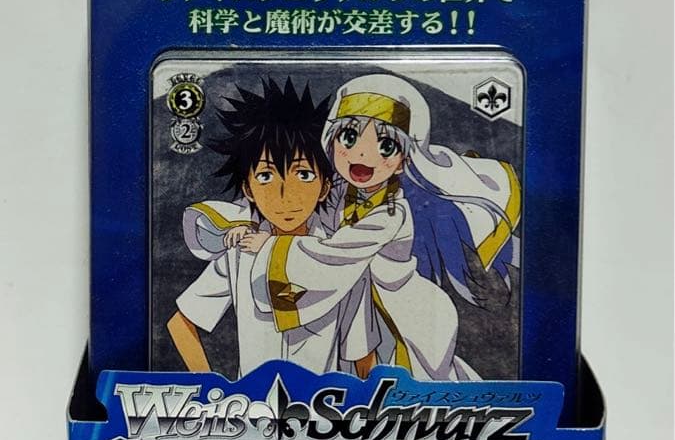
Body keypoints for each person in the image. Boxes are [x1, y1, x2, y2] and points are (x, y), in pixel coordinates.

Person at [238, 73, 521, 380]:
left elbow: (335, 254)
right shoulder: (340, 191)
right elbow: (301, 211)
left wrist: (271, 247)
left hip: (395, 311)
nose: (363, 154)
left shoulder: (391, 213)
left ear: (403, 160)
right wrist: (245, 223)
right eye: (349, 138)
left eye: (386, 145)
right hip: (352, 301)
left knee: (398, 386)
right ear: (331, 141)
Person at [167, 78, 376, 376]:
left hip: (321, 404)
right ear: (248, 189)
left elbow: (363, 356)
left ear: (325, 186)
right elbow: (181, 323)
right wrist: (215, 390)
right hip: (252, 402)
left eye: (303, 174)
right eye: (266, 176)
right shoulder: (240, 253)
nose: (285, 194)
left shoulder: (343, 259)